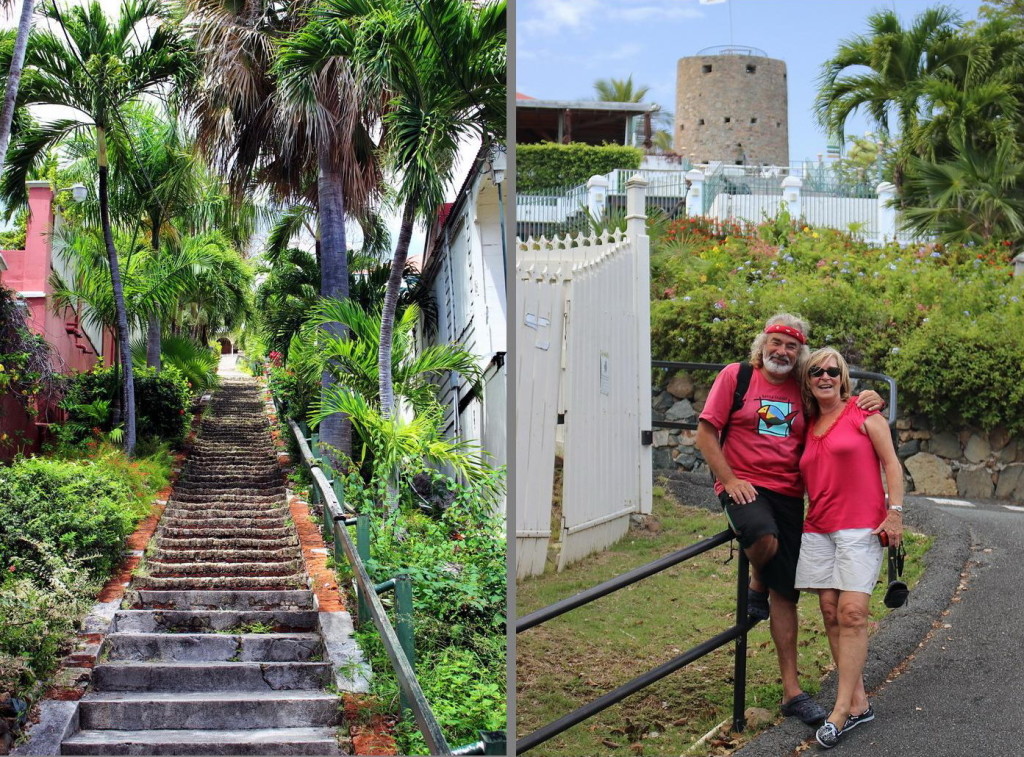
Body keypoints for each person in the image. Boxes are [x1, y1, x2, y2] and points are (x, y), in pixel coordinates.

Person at [695, 314, 882, 728]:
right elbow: (706, 435)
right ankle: (757, 583)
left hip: (789, 495)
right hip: (743, 485)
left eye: (792, 346)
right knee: (761, 537)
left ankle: (792, 692)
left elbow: (837, 406)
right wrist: (729, 479)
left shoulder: (802, 388)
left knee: (787, 594)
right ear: (762, 344)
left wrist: (869, 398)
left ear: (800, 354)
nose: (782, 351)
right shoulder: (736, 377)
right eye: (776, 343)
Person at [793, 348, 904, 749]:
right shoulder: (806, 423)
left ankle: (839, 712)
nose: (825, 376)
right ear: (807, 380)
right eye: (816, 371)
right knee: (828, 610)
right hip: (818, 527)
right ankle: (858, 702)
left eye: (832, 371)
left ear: (843, 377)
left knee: (853, 612)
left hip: (861, 526)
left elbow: (891, 463)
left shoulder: (864, 411)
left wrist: (895, 513)